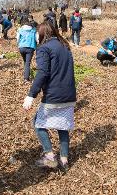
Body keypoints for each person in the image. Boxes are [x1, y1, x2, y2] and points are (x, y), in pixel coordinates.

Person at [22, 21, 76, 171]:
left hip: (54, 94)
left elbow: (43, 73)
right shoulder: (65, 46)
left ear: (41, 34)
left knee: (38, 124)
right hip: (69, 94)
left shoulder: (44, 49)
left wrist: (31, 95)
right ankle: (64, 160)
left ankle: (50, 156)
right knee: (63, 126)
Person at [17, 19, 38, 83]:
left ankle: (26, 72)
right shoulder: (34, 30)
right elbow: (37, 39)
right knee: (27, 63)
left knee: (25, 61)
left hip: (21, 47)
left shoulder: (20, 29)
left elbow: (17, 39)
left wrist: (19, 45)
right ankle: (26, 78)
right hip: (30, 47)